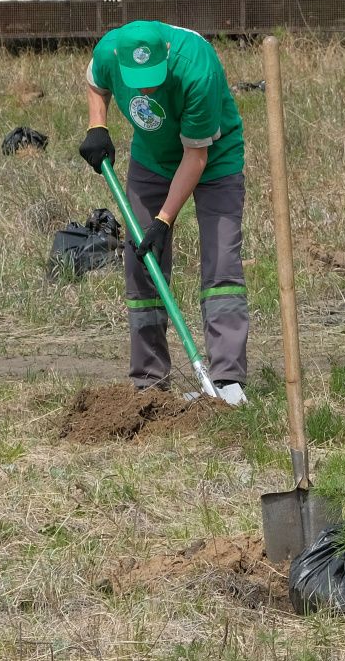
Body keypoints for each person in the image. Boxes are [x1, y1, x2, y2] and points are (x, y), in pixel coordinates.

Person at [79, 20, 249, 406]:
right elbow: (95, 81)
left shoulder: (197, 67)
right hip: (152, 159)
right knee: (140, 264)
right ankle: (150, 384)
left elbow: (196, 156)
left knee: (221, 262)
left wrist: (163, 220)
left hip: (214, 159)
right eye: (138, 80)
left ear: (168, 57)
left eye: (153, 78)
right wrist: (97, 125)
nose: (146, 89)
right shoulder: (109, 52)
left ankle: (226, 381)